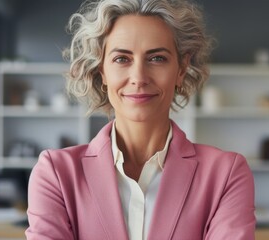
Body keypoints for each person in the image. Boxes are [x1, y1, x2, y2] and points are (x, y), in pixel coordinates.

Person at [25, 0, 256, 239]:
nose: (139, 77)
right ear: (102, 70)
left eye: (156, 58)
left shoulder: (226, 175)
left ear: (181, 69)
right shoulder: (55, 174)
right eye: (122, 59)